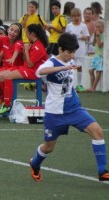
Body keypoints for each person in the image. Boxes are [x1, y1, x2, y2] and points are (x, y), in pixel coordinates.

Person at [29, 33, 109, 182]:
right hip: (55, 113)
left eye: (73, 52)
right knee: (49, 147)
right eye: (68, 52)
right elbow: (39, 72)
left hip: (74, 109)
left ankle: (102, 171)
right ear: (60, 49)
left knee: (98, 132)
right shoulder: (52, 62)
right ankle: (34, 163)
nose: (71, 55)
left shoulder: (70, 61)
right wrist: (63, 68)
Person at [0, 24, 48, 114]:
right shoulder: (33, 44)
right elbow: (26, 60)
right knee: (2, 75)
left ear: (32, 34)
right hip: (26, 68)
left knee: (7, 77)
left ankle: (8, 104)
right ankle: (5, 100)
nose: (26, 36)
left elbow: (30, 64)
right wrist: (25, 51)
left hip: (33, 72)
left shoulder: (38, 47)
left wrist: (27, 50)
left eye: (27, 33)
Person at [66, 8, 89, 92]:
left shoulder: (83, 26)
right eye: (74, 16)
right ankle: (70, 84)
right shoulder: (69, 26)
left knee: (79, 66)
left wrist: (83, 36)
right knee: (70, 66)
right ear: (71, 17)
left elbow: (87, 37)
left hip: (80, 49)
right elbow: (66, 36)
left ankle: (79, 84)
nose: (76, 18)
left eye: (78, 16)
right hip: (71, 49)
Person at [88, 20, 104, 92]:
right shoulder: (97, 35)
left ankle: (93, 88)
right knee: (91, 71)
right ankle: (92, 87)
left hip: (100, 56)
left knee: (98, 71)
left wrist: (98, 36)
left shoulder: (104, 35)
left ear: (103, 28)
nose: (97, 29)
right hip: (96, 55)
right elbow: (94, 43)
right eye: (96, 27)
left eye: (99, 27)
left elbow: (100, 45)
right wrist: (95, 36)